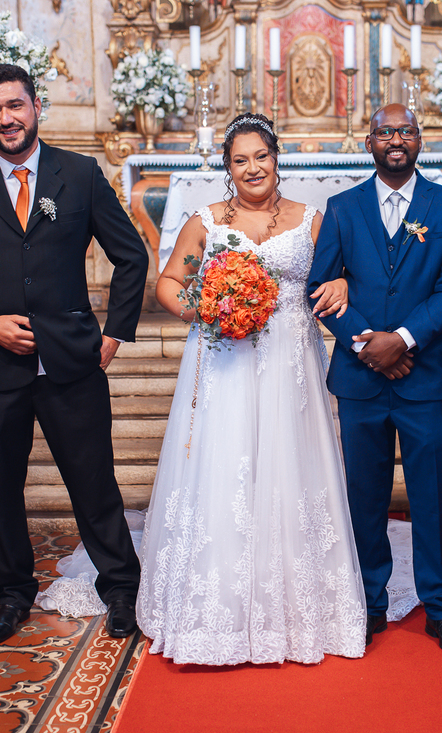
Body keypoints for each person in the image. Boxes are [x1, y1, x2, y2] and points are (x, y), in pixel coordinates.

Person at [0, 64, 149, 645]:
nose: (6, 119)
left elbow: (131, 255)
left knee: (94, 483)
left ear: (36, 106)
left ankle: (121, 587)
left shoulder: (80, 173)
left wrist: (115, 333)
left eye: (15, 106)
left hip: (72, 360)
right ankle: (12, 593)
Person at [132, 113, 366, 665]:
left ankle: (299, 607)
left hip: (290, 363)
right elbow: (170, 282)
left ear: (276, 157)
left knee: (291, 465)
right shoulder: (207, 222)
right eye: (240, 160)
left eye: (261, 156)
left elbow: (344, 276)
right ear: (228, 167)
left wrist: (340, 281)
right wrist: (206, 310)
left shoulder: (311, 220)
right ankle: (219, 612)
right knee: (227, 467)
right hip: (226, 363)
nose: (252, 168)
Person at [308, 104, 442, 659]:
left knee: (431, 498)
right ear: (369, 142)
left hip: (425, 377)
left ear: (419, 140)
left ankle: (441, 608)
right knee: (365, 497)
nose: (395, 139)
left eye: (405, 131)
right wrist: (367, 346)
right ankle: (368, 602)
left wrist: (401, 339)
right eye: (385, 132)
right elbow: (319, 286)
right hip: (361, 380)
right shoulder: (342, 208)